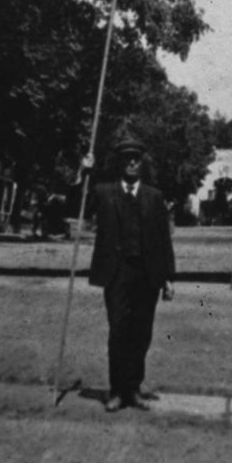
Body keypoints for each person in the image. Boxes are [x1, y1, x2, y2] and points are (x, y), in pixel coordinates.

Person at [82, 131, 175, 412]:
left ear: (142, 163)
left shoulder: (154, 197)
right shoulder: (103, 192)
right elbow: (79, 205)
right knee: (119, 330)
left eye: (136, 159)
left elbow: (162, 241)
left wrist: (168, 278)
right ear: (120, 163)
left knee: (142, 332)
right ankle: (117, 391)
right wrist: (84, 172)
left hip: (147, 275)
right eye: (127, 159)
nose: (132, 163)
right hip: (117, 273)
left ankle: (133, 389)